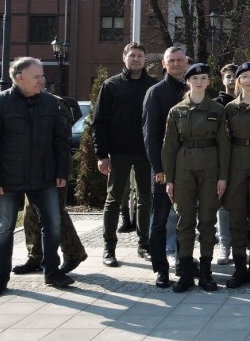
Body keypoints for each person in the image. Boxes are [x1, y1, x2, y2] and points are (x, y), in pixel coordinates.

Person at [0, 57, 74, 297]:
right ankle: (1, 277)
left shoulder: (51, 103)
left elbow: (61, 141)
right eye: (37, 77)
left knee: (53, 224)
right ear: (19, 78)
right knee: (4, 229)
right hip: (7, 180)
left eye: (42, 76)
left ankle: (52, 272)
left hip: (44, 177)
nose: (43, 80)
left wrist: (62, 172)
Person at [162, 63, 229, 293]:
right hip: (183, 168)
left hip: (210, 167)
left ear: (209, 82)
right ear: (188, 81)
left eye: (203, 78)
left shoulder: (217, 110)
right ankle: (186, 272)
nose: (199, 82)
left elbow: (224, 144)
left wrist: (223, 176)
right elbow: (169, 147)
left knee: (208, 221)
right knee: (185, 221)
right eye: (195, 78)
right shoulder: (177, 111)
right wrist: (169, 179)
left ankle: (206, 273)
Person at [91, 42, 158, 267]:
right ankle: (109, 248)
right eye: (132, 55)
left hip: (146, 153)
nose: (136, 59)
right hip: (118, 153)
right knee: (113, 200)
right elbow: (99, 122)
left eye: (140, 55)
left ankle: (144, 244)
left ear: (145, 59)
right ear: (124, 58)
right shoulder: (111, 86)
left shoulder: (153, 86)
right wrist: (102, 154)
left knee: (145, 200)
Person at [12, 94, 87, 277]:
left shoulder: (55, 103)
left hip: (52, 166)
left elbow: (61, 138)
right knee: (30, 213)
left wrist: (59, 171)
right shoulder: (18, 101)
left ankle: (73, 253)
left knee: (55, 212)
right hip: (31, 168)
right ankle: (35, 256)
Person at [142, 46, 189, 288]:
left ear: (187, 62)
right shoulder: (156, 92)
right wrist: (158, 169)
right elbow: (150, 136)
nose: (176, 64)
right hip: (163, 168)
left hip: (190, 167)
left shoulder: (194, 89)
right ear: (164, 63)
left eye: (180, 60)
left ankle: (183, 261)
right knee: (159, 220)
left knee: (185, 218)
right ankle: (161, 268)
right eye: (172, 60)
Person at [221, 62, 250, 289]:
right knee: (237, 218)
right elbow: (223, 142)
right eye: (244, 77)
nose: (248, 80)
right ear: (238, 80)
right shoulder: (229, 109)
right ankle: (240, 268)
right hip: (236, 166)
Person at [214, 63, 239, 265]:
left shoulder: (248, 100)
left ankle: (242, 245)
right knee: (222, 205)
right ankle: (224, 245)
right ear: (222, 79)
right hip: (223, 160)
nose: (232, 80)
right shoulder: (217, 103)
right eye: (228, 76)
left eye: (234, 76)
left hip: (242, 158)